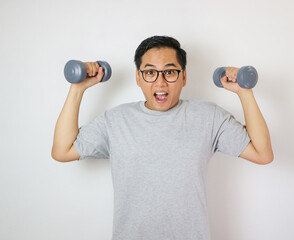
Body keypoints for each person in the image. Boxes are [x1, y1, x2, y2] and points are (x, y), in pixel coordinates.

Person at [51, 35, 273, 240]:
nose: (160, 82)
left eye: (169, 72)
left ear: (184, 76)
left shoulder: (209, 117)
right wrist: (77, 88)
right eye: (150, 72)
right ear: (138, 78)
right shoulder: (116, 120)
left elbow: (262, 153)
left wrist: (245, 93)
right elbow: (62, 150)